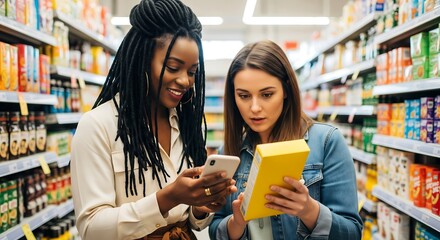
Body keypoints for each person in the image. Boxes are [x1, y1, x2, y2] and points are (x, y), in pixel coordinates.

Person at [70, 0, 236, 239]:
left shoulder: (186, 125)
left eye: (191, 72)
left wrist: (200, 206)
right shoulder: (97, 126)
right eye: (172, 67)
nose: (185, 81)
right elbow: (92, 228)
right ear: (142, 61)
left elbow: (191, 221)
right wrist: (168, 198)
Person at [209, 40, 363, 240]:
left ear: (286, 91)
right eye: (244, 96)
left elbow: (352, 233)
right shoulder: (228, 153)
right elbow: (215, 228)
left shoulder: (326, 142)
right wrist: (236, 223)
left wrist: (309, 210)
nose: (254, 107)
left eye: (266, 94)